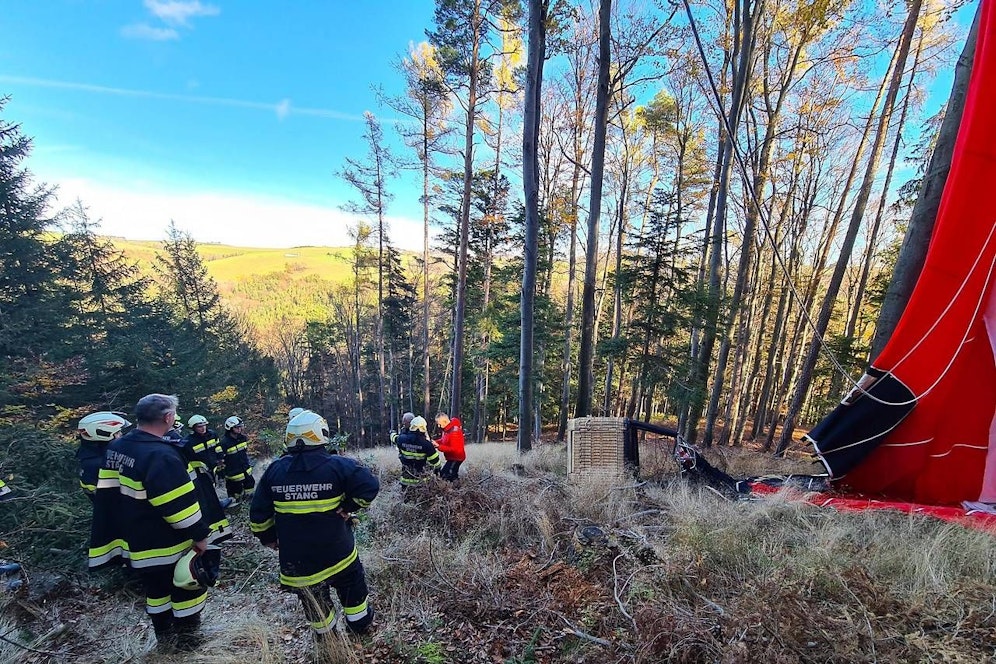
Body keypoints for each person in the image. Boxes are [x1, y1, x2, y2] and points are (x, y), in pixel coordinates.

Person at [88, 394, 220, 651]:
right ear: (168, 418)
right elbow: (178, 507)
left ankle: (165, 641)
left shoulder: (118, 447)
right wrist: (201, 536)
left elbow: (109, 495)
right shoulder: (160, 455)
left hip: (138, 542)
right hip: (168, 543)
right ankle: (189, 643)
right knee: (186, 590)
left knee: (156, 592)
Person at [250, 411, 379, 636]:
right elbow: (370, 486)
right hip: (338, 554)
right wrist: (348, 507)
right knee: (353, 589)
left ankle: (327, 637)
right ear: (321, 433)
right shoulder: (338, 465)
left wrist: (268, 538)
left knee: (313, 601)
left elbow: (258, 515)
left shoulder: (275, 470)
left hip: (298, 561)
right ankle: (360, 627)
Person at [76, 411, 132, 499]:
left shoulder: (89, 453)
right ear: (103, 434)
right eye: (117, 432)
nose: (121, 435)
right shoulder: (101, 464)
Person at [395, 416, 441, 488]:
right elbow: (436, 464)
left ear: (411, 426)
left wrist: (392, 433)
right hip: (421, 484)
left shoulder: (401, 439)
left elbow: (394, 438)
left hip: (405, 482)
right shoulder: (427, 445)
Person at [220, 416, 254, 500]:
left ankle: (248, 503)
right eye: (236, 427)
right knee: (235, 495)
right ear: (230, 428)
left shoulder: (243, 438)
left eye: (240, 427)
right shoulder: (224, 443)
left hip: (246, 471)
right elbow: (220, 460)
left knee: (250, 490)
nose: (239, 429)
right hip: (233, 475)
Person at [434, 412, 466, 481]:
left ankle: (456, 486)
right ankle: (457, 484)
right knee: (447, 474)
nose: (439, 426)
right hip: (451, 458)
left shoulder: (454, 431)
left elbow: (454, 449)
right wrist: (435, 442)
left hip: (456, 458)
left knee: (447, 475)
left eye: (439, 424)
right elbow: (443, 440)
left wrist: (439, 447)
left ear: (445, 422)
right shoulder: (446, 430)